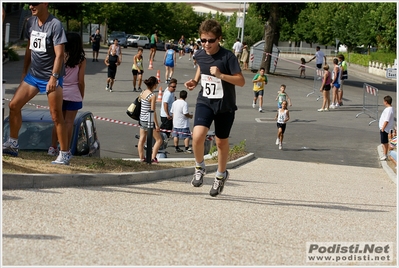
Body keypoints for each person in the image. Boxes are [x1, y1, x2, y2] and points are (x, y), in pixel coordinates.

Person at [2, 3, 71, 164]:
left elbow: (59, 55)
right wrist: (25, 71)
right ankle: (12, 143)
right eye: (29, 3)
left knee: (56, 115)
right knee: (13, 105)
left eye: (35, 3)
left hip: (51, 76)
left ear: (45, 3)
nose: (31, 6)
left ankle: (65, 153)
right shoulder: (30, 22)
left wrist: (54, 77)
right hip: (33, 75)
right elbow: (29, 48)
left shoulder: (55, 25)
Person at [184, 19, 245, 197]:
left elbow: (241, 81)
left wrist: (221, 75)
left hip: (225, 105)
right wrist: (195, 81)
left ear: (219, 39)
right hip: (206, 101)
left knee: (220, 142)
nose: (206, 44)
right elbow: (202, 68)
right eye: (203, 40)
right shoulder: (200, 54)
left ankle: (220, 175)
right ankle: (199, 166)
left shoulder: (228, 57)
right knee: (197, 135)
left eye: (210, 40)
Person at [48, 32, 86, 156]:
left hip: (59, 90)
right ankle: (65, 149)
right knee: (69, 122)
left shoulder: (59, 56)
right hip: (73, 92)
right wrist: (81, 94)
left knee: (58, 121)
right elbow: (80, 81)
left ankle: (53, 147)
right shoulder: (80, 59)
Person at [137, 76, 162, 163]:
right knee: (159, 140)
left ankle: (141, 157)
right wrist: (157, 125)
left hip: (142, 119)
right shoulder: (152, 95)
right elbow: (153, 111)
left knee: (142, 139)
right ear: (154, 85)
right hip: (148, 120)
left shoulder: (143, 92)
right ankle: (153, 157)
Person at [379, 95, 395, 161]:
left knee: (384, 142)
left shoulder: (388, 110)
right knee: (383, 142)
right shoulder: (390, 109)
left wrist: (383, 127)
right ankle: (384, 154)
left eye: (384, 101)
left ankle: (385, 155)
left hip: (385, 129)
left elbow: (387, 120)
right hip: (385, 128)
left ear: (386, 102)